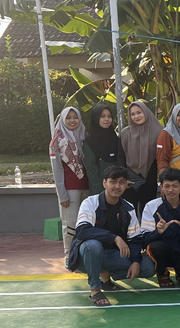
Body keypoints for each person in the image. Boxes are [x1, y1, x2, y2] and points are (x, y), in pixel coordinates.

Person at [66, 165, 155, 306]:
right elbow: (83, 230)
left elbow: (135, 239)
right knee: (93, 245)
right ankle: (95, 289)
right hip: (87, 256)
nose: (117, 186)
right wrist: (114, 238)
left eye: (121, 182)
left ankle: (105, 274)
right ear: (104, 183)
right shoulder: (90, 202)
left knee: (148, 267)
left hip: (113, 256)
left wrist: (136, 261)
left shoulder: (128, 208)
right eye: (113, 182)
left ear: (126, 185)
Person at [140, 168, 180, 292]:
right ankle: (162, 272)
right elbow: (143, 239)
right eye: (167, 186)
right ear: (161, 186)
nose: (170, 190)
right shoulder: (151, 206)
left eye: (175, 186)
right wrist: (158, 232)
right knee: (155, 246)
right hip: (165, 251)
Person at [50, 106, 89, 256]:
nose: (72, 120)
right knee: (70, 224)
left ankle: (83, 254)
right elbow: (57, 170)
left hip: (87, 187)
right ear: (62, 120)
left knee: (85, 223)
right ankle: (69, 255)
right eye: (68, 117)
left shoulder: (85, 136)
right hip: (70, 189)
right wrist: (62, 194)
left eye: (75, 117)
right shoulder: (57, 141)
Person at [118, 101, 164, 218]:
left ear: (146, 112)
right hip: (129, 180)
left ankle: (147, 235)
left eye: (139, 112)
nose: (136, 116)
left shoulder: (159, 131)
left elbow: (162, 157)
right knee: (129, 214)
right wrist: (123, 179)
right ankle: (130, 236)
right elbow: (121, 157)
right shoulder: (125, 133)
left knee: (148, 212)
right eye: (132, 114)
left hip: (149, 180)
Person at [83, 104, 118, 196]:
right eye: (102, 116)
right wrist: (99, 190)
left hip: (117, 188)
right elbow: (91, 168)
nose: (106, 119)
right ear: (96, 118)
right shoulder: (90, 141)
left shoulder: (115, 138)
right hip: (99, 189)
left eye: (109, 116)